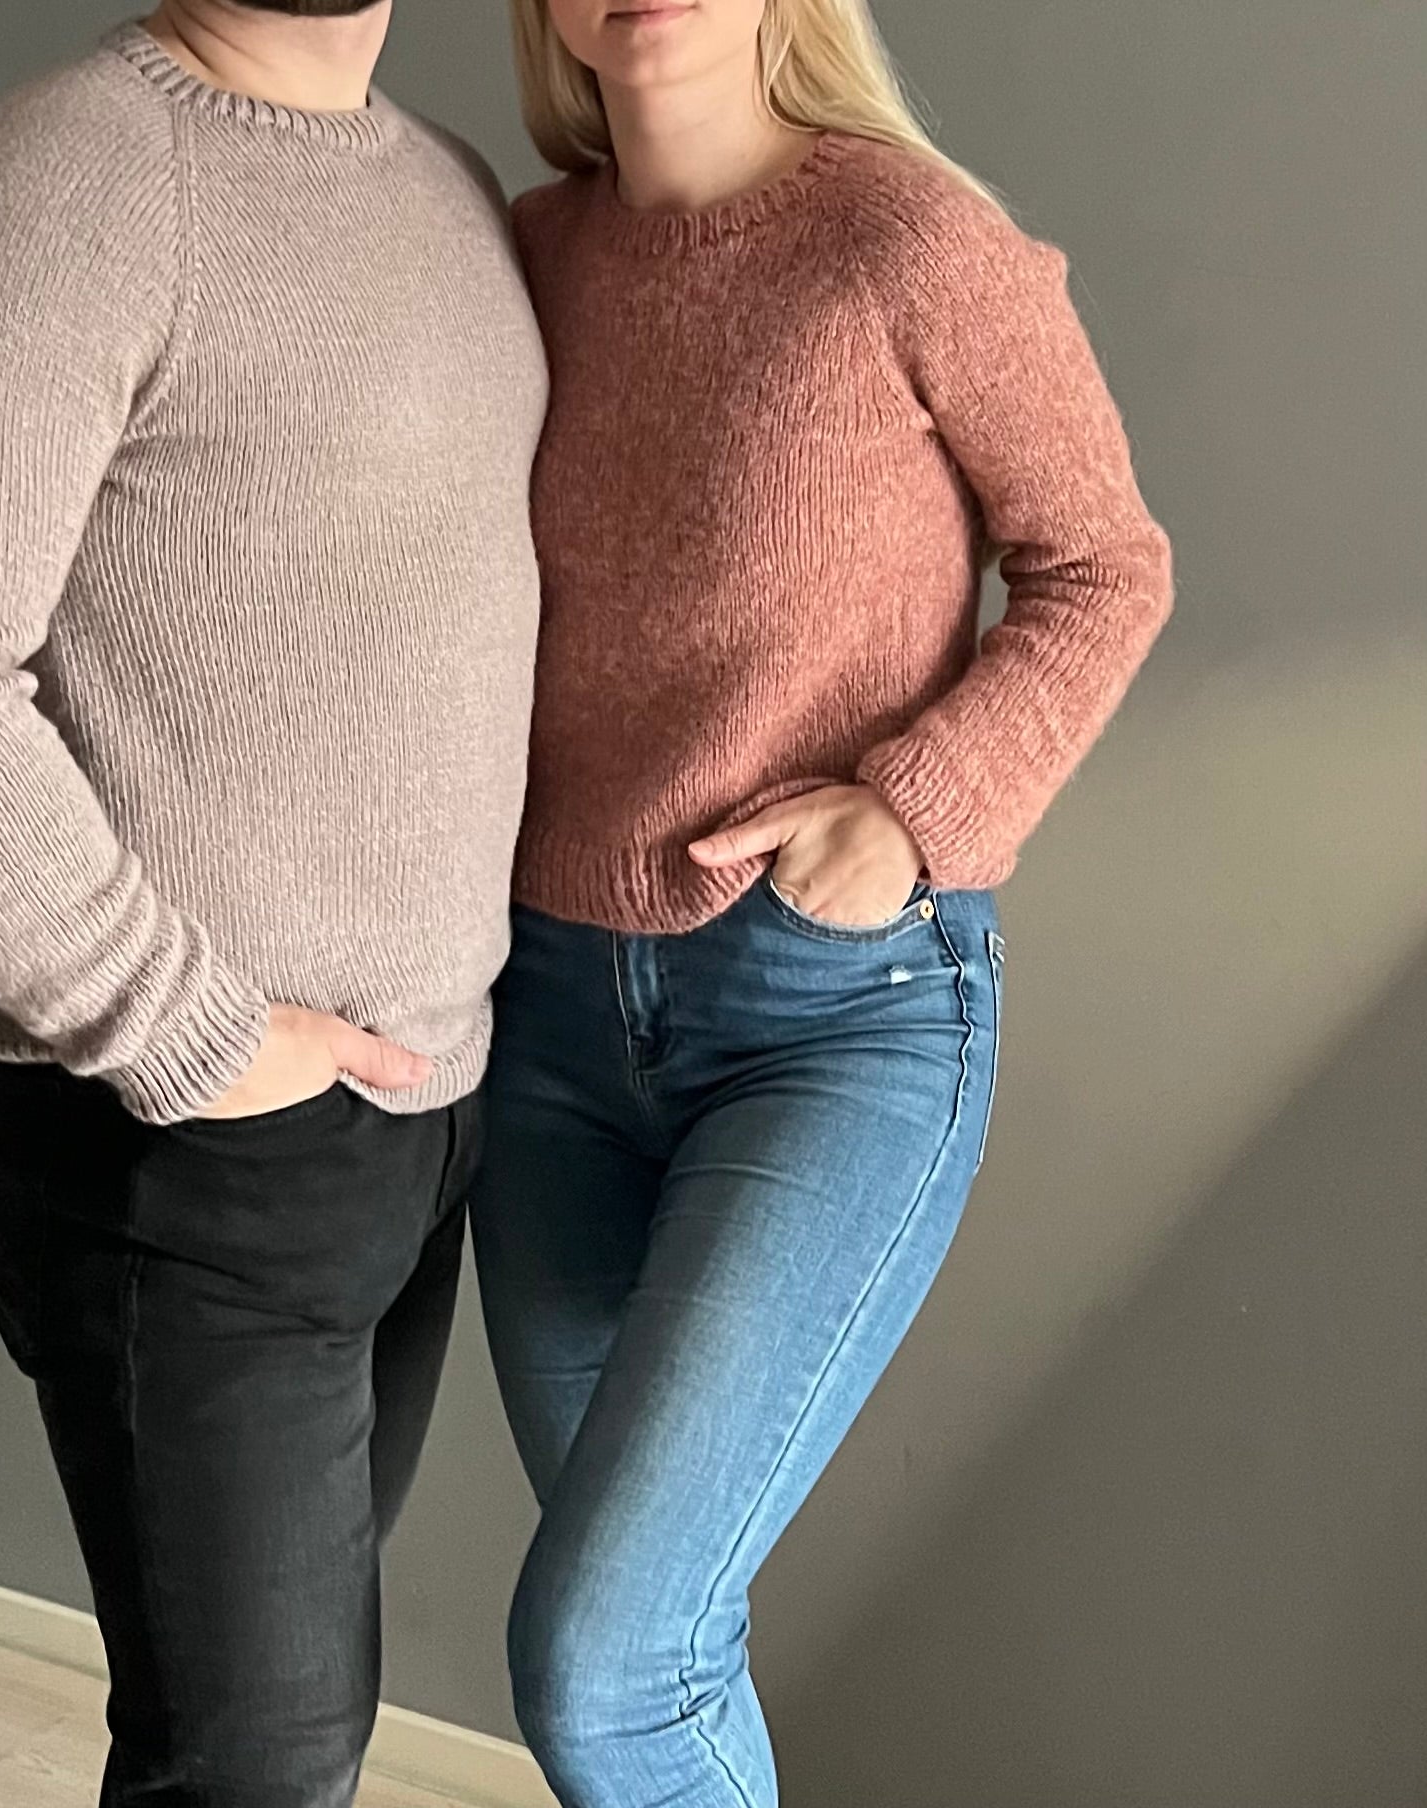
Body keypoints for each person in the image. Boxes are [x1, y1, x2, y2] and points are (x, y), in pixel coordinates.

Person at [0, 0, 544, 1800]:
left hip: (419, 1111)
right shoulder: (59, 185)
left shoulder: (448, 188)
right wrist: (192, 1033)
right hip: (180, 1131)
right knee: (255, 1764)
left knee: (281, 1727)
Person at [471, 1, 1174, 1803]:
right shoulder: (521, 258)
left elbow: (1104, 566)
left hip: (825, 1020)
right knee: (657, 1645)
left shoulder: (906, 237)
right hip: (540, 1030)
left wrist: (918, 809)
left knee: (603, 1666)